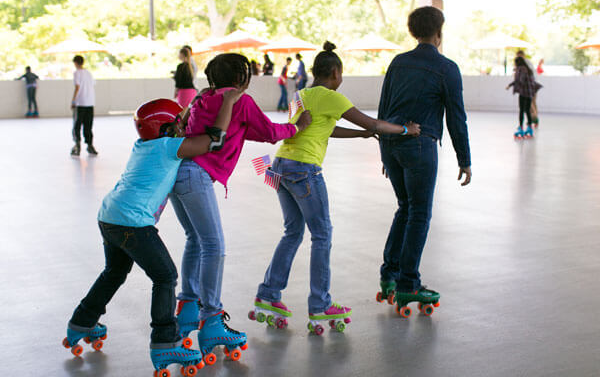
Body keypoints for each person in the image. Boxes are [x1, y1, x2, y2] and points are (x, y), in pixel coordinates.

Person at [62, 90, 243, 375]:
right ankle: (165, 340)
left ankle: (81, 322)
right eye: (179, 124)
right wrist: (229, 102)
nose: (184, 128)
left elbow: (179, 124)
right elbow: (215, 140)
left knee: (114, 272)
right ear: (167, 129)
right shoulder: (170, 147)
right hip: (132, 224)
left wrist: (194, 104)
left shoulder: (144, 144)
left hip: (109, 216)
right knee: (165, 276)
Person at [252, 42, 419, 335]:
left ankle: (268, 293)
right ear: (335, 72)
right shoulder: (332, 97)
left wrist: (361, 135)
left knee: (292, 232)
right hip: (305, 171)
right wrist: (406, 129)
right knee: (322, 234)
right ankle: (320, 304)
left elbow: (322, 128)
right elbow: (375, 122)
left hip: (281, 166)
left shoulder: (300, 94)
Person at [169, 53, 312, 365]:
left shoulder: (201, 98)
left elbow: (253, 131)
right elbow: (271, 132)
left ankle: (188, 308)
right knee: (214, 246)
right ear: (242, 79)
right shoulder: (239, 101)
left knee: (195, 240)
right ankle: (212, 320)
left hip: (178, 174)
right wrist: (297, 126)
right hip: (198, 176)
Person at [376, 6, 472, 318]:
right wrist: (465, 159)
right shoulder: (447, 68)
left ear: (413, 32)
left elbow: (384, 106)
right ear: (439, 33)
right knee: (419, 213)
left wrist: (383, 151)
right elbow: (457, 118)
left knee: (405, 207)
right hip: (419, 146)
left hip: (392, 143)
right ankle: (408, 283)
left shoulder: (398, 63)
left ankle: (389, 275)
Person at [71, 55, 98, 156]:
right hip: (90, 102)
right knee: (88, 125)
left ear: (75, 63)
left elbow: (77, 87)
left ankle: (77, 144)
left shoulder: (77, 73)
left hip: (80, 102)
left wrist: (73, 101)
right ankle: (90, 145)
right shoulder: (89, 73)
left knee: (77, 125)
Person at [507, 56, 536, 138]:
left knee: (521, 110)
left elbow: (520, 80)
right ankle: (529, 127)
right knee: (527, 110)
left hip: (523, 92)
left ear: (517, 62)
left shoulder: (521, 69)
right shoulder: (527, 69)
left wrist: (510, 85)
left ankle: (521, 128)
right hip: (530, 92)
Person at [517, 50, 542, 127]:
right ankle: (535, 120)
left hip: (531, 85)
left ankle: (533, 119)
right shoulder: (527, 62)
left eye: (519, 56)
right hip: (534, 84)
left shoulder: (524, 63)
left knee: (530, 104)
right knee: (533, 103)